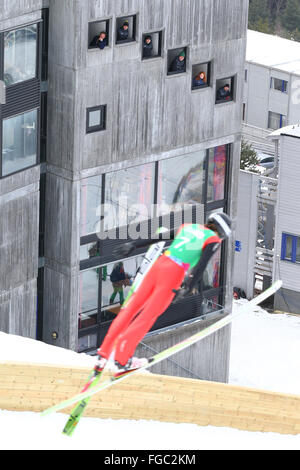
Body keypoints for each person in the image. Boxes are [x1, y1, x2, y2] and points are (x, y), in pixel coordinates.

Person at [96, 212, 232, 376]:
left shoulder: (188, 227)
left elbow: (160, 237)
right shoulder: (213, 239)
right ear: (221, 233)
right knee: (147, 317)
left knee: (131, 308)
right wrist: (188, 287)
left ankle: (103, 353)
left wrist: (133, 244)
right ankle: (122, 359)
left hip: (159, 264)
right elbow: (201, 265)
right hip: (173, 273)